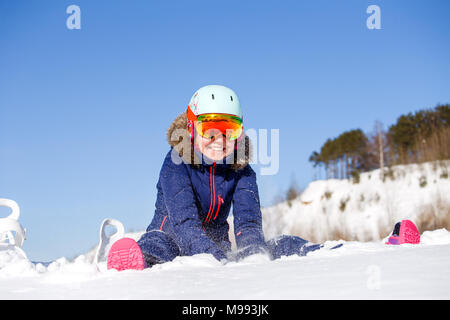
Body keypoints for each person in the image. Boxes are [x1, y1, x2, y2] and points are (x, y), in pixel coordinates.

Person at [107, 85, 321, 271]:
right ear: (191, 129)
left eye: (230, 130)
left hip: (215, 242)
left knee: (267, 247)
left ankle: (318, 252)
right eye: (209, 130)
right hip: (170, 234)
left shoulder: (242, 171)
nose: (219, 139)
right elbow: (184, 223)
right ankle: (134, 262)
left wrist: (253, 254)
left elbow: (248, 224)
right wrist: (212, 256)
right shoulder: (176, 163)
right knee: (160, 247)